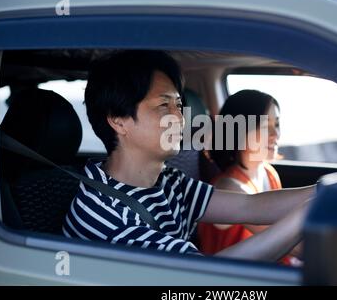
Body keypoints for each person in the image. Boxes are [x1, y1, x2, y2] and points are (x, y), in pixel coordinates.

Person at [62, 50, 321, 262]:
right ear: (118, 121)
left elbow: (249, 206)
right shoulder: (106, 214)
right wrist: (305, 215)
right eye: (163, 105)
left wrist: (329, 189)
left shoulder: (167, 180)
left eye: (178, 105)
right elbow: (208, 276)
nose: (179, 118)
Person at [197, 90, 301, 265]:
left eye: (276, 124)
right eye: (264, 126)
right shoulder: (229, 188)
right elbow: (294, 245)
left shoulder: (269, 172)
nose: (275, 134)